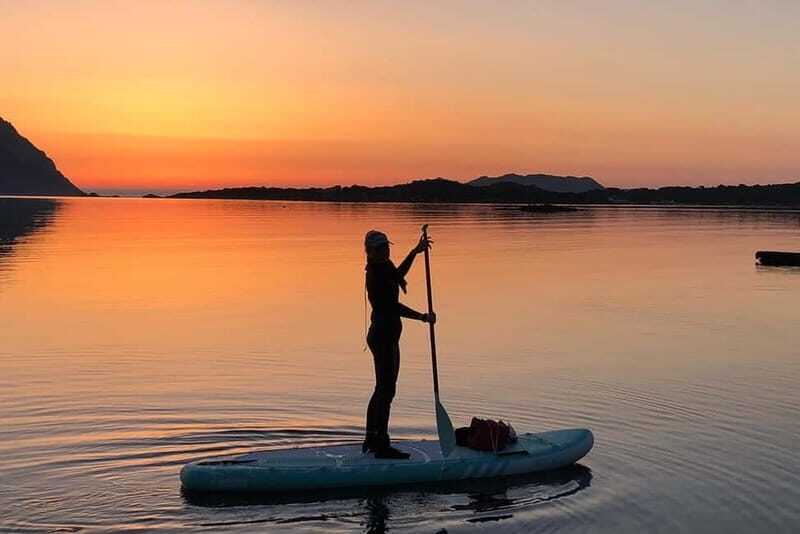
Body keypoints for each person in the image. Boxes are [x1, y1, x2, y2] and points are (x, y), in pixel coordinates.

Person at [362, 230, 435, 459]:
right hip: (384, 337)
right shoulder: (375, 274)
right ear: (371, 252)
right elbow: (392, 307)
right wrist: (422, 317)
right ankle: (381, 446)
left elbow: (398, 275)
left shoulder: (385, 267)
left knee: (382, 388)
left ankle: (372, 437)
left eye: (387, 246)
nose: (386, 250)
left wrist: (415, 252)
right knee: (386, 390)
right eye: (381, 247)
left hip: (385, 336)